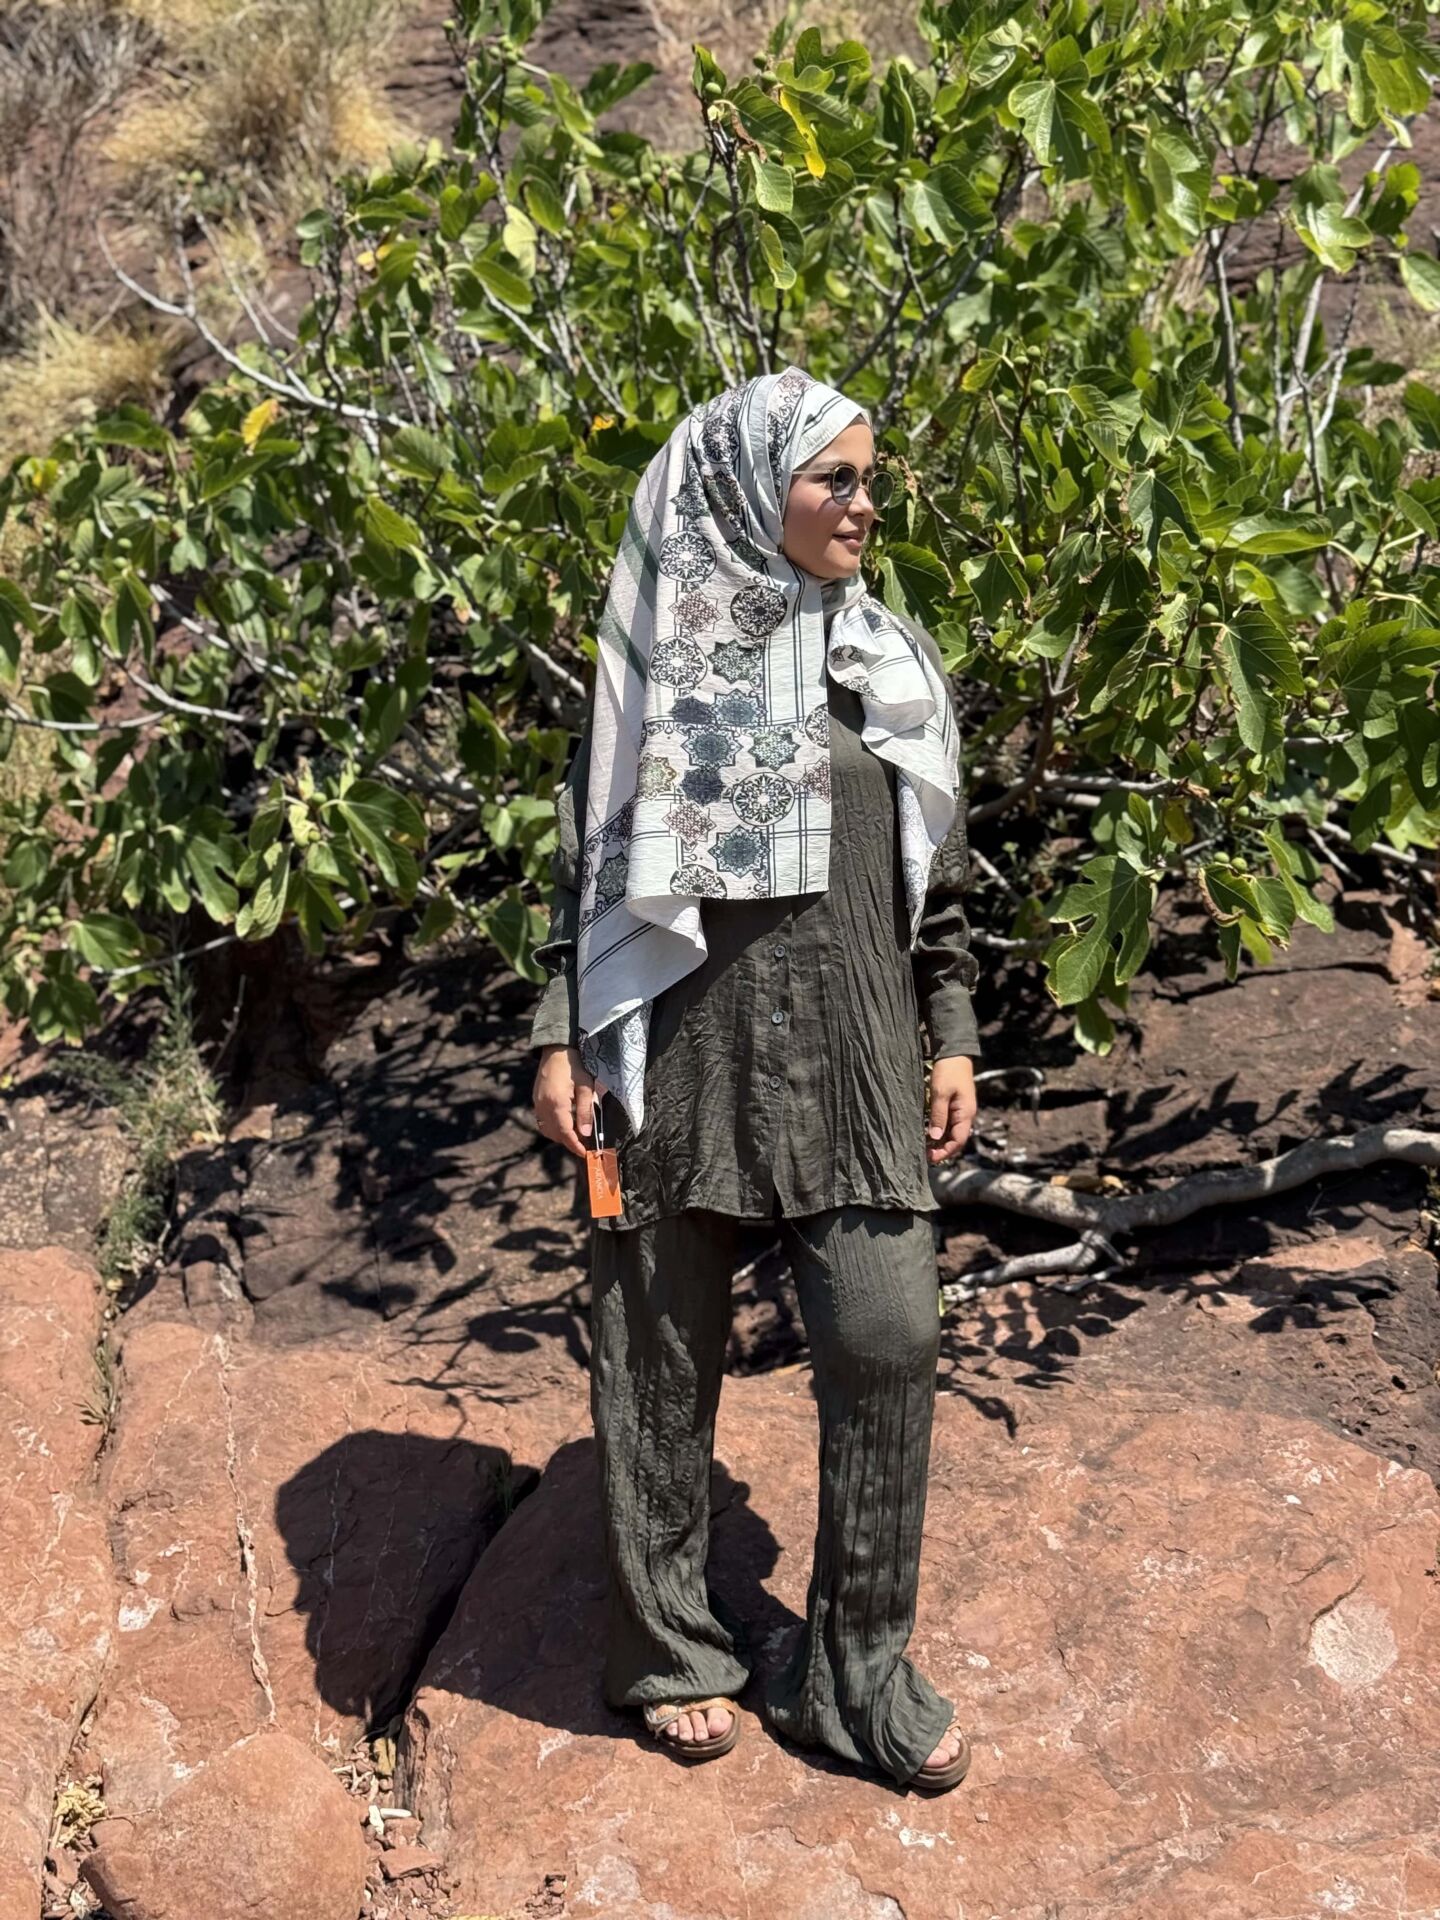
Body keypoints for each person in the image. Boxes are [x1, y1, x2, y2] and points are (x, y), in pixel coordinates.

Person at [530, 365, 980, 1794]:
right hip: (681, 1057)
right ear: (743, 494)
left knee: (887, 1337)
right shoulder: (665, 658)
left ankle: (855, 1675)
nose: (865, 502)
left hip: (856, 1056)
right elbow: (592, 852)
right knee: (658, 1362)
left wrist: (952, 1028)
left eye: (870, 476)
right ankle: (671, 1646)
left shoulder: (885, 659)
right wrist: (560, 1031)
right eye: (834, 477)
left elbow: (936, 877)